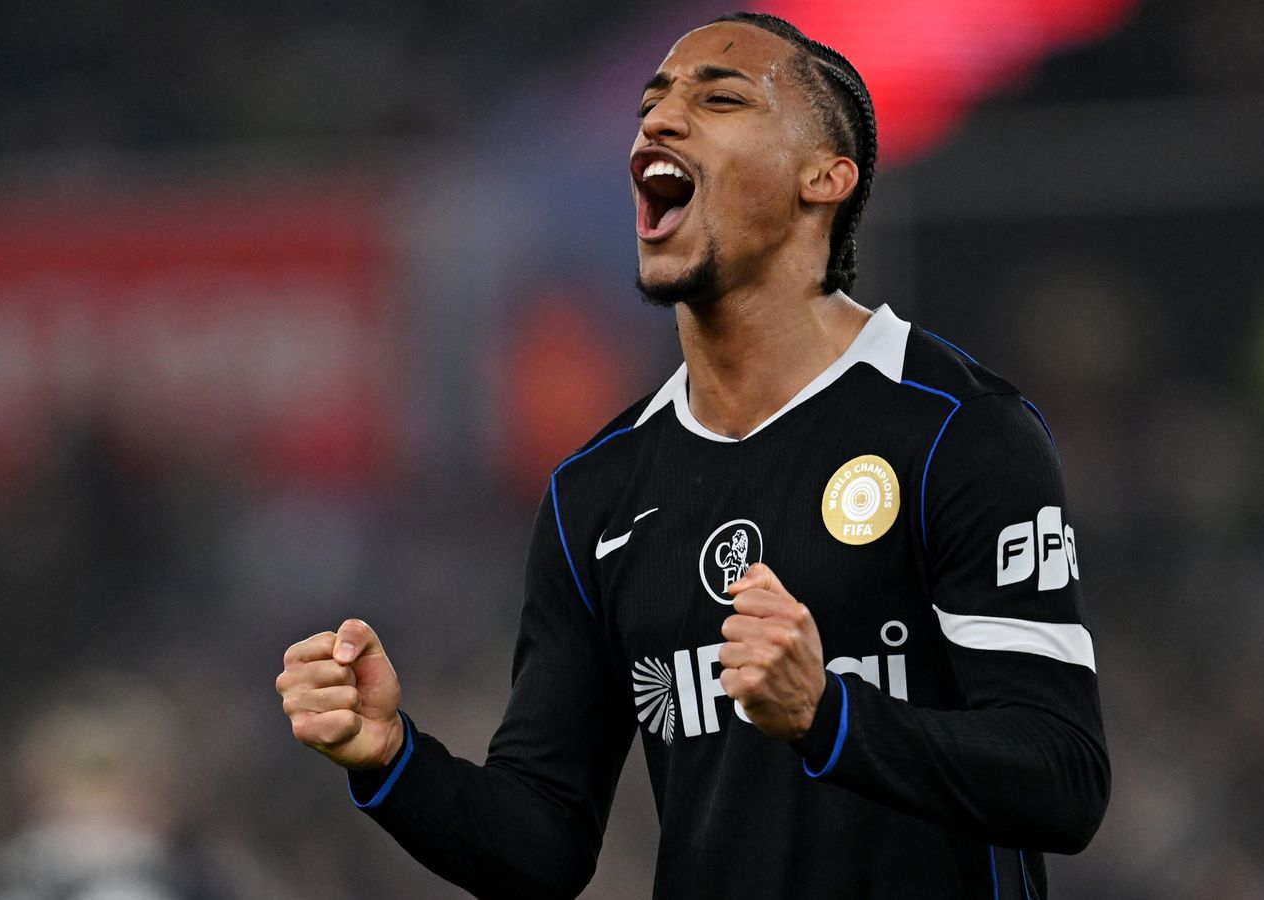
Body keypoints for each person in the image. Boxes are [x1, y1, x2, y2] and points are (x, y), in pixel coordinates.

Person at [276, 12, 1108, 899]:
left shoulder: (957, 429)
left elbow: (1061, 780)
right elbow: (542, 842)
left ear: (824, 179)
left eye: (719, 98)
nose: (659, 122)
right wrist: (393, 760)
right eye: (652, 103)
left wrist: (828, 718)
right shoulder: (596, 491)